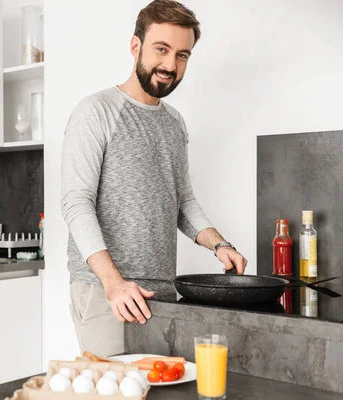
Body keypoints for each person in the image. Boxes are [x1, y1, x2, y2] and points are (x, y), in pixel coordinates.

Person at [60, 0, 248, 357]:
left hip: (162, 293)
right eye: (161, 49)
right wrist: (113, 284)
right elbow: (75, 203)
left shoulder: (174, 122)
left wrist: (221, 245)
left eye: (182, 55)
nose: (170, 65)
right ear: (135, 46)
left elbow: (183, 202)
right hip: (107, 293)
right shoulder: (95, 112)